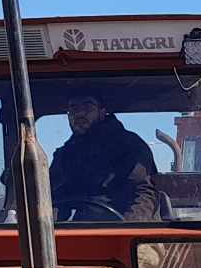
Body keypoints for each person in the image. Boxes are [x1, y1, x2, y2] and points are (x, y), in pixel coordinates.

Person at [48, 91, 159, 220]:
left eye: (88, 106)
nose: (79, 113)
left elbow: (144, 194)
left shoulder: (129, 146)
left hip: (122, 227)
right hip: (80, 228)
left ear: (102, 112)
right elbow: (54, 196)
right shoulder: (65, 154)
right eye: (73, 108)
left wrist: (128, 231)